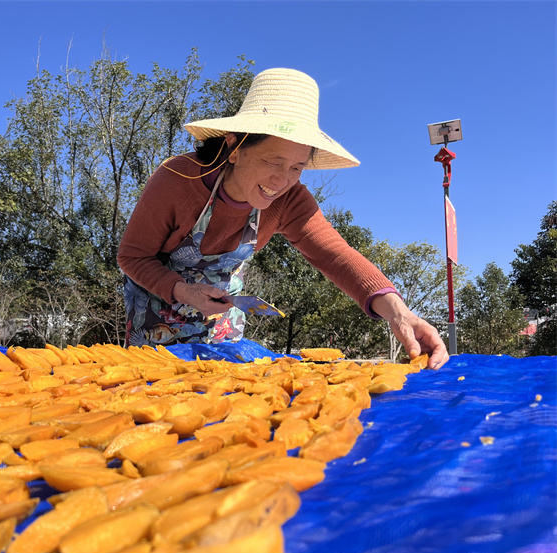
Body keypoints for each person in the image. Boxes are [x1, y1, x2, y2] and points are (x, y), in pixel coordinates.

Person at [117, 68, 448, 369]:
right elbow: (133, 256)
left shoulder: (289, 200)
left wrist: (399, 313)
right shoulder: (177, 180)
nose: (282, 181)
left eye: (297, 167)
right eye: (273, 161)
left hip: (220, 325)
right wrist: (183, 291)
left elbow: (336, 255)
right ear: (235, 147)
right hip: (155, 323)